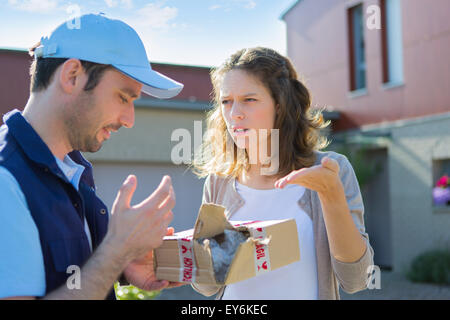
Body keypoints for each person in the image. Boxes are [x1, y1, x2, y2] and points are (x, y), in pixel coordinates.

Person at [0, 13, 184, 300]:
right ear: (72, 76)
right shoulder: (6, 181)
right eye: (123, 97)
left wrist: (124, 263)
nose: (129, 119)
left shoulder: (71, 171)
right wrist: (115, 251)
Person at [191, 47, 374, 300]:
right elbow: (207, 286)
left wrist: (330, 195)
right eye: (226, 101)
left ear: (279, 105)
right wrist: (184, 256)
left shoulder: (331, 170)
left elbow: (357, 279)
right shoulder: (219, 181)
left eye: (249, 99)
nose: (234, 114)